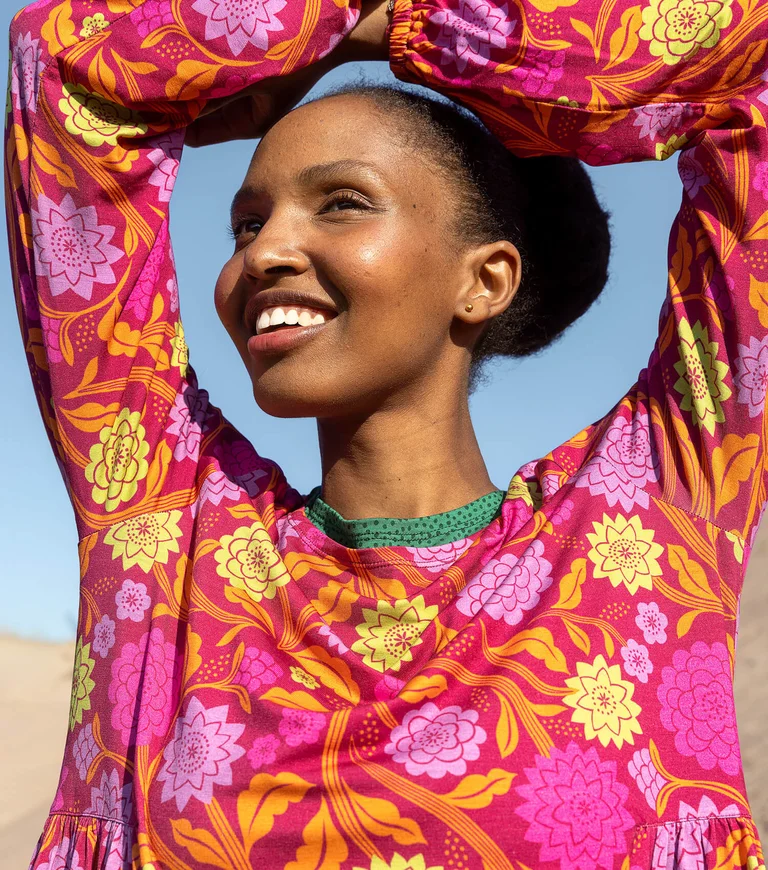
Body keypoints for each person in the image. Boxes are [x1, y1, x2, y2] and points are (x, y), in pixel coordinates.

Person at [5, 0, 767, 867]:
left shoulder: (660, 516)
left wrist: (402, 30)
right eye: (247, 223)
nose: (263, 253)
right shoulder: (162, 528)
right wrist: (289, 44)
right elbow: (58, 67)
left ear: (484, 280)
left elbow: (753, 70)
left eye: (340, 204)